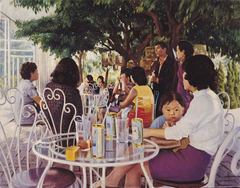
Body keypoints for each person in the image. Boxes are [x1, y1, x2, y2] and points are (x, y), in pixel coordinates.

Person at [101, 55, 224, 187]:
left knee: (135, 165)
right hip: (194, 159)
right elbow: (189, 128)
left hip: (190, 165)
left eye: (185, 73)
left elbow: (180, 132)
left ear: (193, 76)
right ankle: (111, 179)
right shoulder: (207, 96)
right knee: (140, 147)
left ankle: (111, 180)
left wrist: (149, 131)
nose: (182, 77)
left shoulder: (203, 100)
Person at [45, 57, 82, 134]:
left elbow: (47, 114)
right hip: (70, 137)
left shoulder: (48, 87)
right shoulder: (73, 92)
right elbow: (79, 116)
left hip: (52, 136)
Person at [152, 41, 178, 117]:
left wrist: (157, 80)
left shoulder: (171, 62)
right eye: (155, 49)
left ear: (164, 49)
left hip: (166, 91)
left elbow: (170, 77)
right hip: (158, 91)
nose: (156, 51)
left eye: (158, 48)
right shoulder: (158, 62)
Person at [176, 40, 194, 114]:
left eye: (177, 50)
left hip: (184, 95)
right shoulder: (187, 63)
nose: (176, 53)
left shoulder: (185, 65)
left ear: (183, 51)